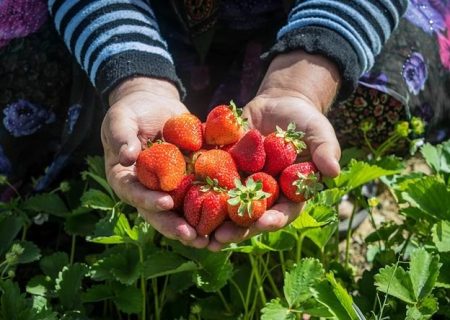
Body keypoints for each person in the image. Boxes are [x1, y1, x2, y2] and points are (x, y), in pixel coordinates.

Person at [1, 1, 448, 250]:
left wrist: (302, 82)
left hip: (295, 22)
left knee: (393, 81)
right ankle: (37, 207)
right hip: (136, 21)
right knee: (19, 55)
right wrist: (134, 79)